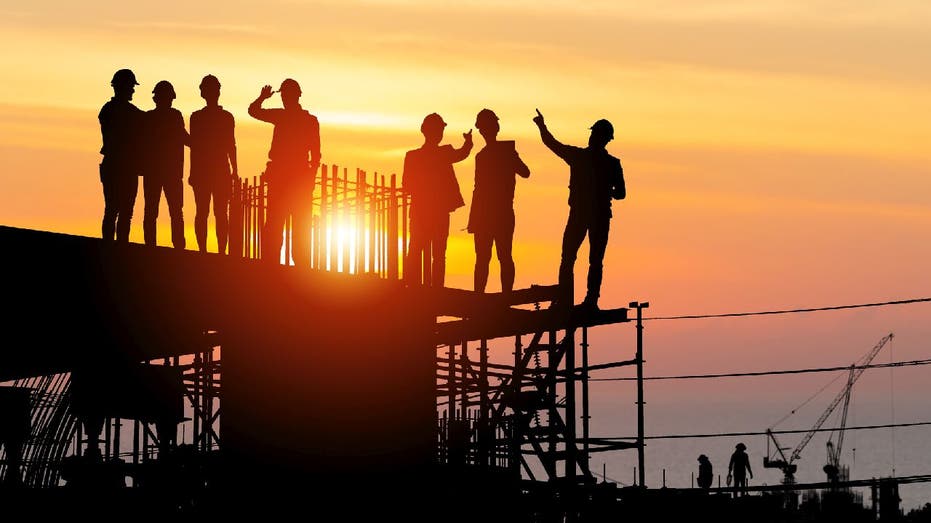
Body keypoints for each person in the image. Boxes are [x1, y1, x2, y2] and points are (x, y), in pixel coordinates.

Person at [532, 109, 625, 311]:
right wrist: (541, 126)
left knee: (573, 259)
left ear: (600, 137)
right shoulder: (610, 164)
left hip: (584, 216)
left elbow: (553, 145)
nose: (591, 137)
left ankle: (575, 301)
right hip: (595, 216)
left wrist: (541, 126)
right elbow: (621, 194)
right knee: (588, 260)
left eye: (594, 134)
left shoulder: (581, 157)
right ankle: (587, 301)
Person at [248, 79, 320, 265]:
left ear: (293, 96)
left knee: (287, 227)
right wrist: (310, 180)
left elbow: (316, 155)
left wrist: (263, 97)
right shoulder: (304, 120)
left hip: (290, 181)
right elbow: (316, 157)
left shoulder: (290, 118)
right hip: (292, 180)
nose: (284, 99)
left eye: (286, 95)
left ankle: (291, 270)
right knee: (282, 226)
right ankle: (290, 270)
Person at [402, 113, 472, 288]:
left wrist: (468, 144)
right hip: (434, 212)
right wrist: (468, 143)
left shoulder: (414, 156)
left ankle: (413, 286)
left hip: (423, 212)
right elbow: (461, 154)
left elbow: (406, 186)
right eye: (439, 129)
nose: (440, 133)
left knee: (419, 250)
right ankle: (433, 288)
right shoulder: (442, 153)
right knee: (434, 253)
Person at [467, 108, 530, 293]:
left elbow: (525, 172)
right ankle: (501, 297)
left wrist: (511, 156)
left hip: (494, 214)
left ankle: (487, 297)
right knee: (497, 257)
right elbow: (478, 190)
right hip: (497, 214)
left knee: (491, 258)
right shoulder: (489, 155)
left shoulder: (490, 155)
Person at [190, 74, 238, 254]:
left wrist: (234, 171)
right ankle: (214, 251)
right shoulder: (205, 117)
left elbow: (230, 145)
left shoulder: (203, 117)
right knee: (211, 213)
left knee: (212, 213)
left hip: (214, 172)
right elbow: (229, 146)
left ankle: (214, 252)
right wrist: (234, 171)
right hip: (212, 172)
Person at [98, 68, 144, 242]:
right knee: (118, 210)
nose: (133, 90)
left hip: (118, 166)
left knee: (117, 210)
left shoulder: (109, 110)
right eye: (131, 86)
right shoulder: (125, 112)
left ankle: (115, 248)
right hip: (120, 167)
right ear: (123, 87)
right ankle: (116, 249)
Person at [142, 80, 189, 249]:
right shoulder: (174, 116)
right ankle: (176, 248)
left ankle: (151, 247)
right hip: (168, 172)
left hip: (158, 172)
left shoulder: (149, 118)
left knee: (156, 211)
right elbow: (186, 139)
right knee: (173, 211)